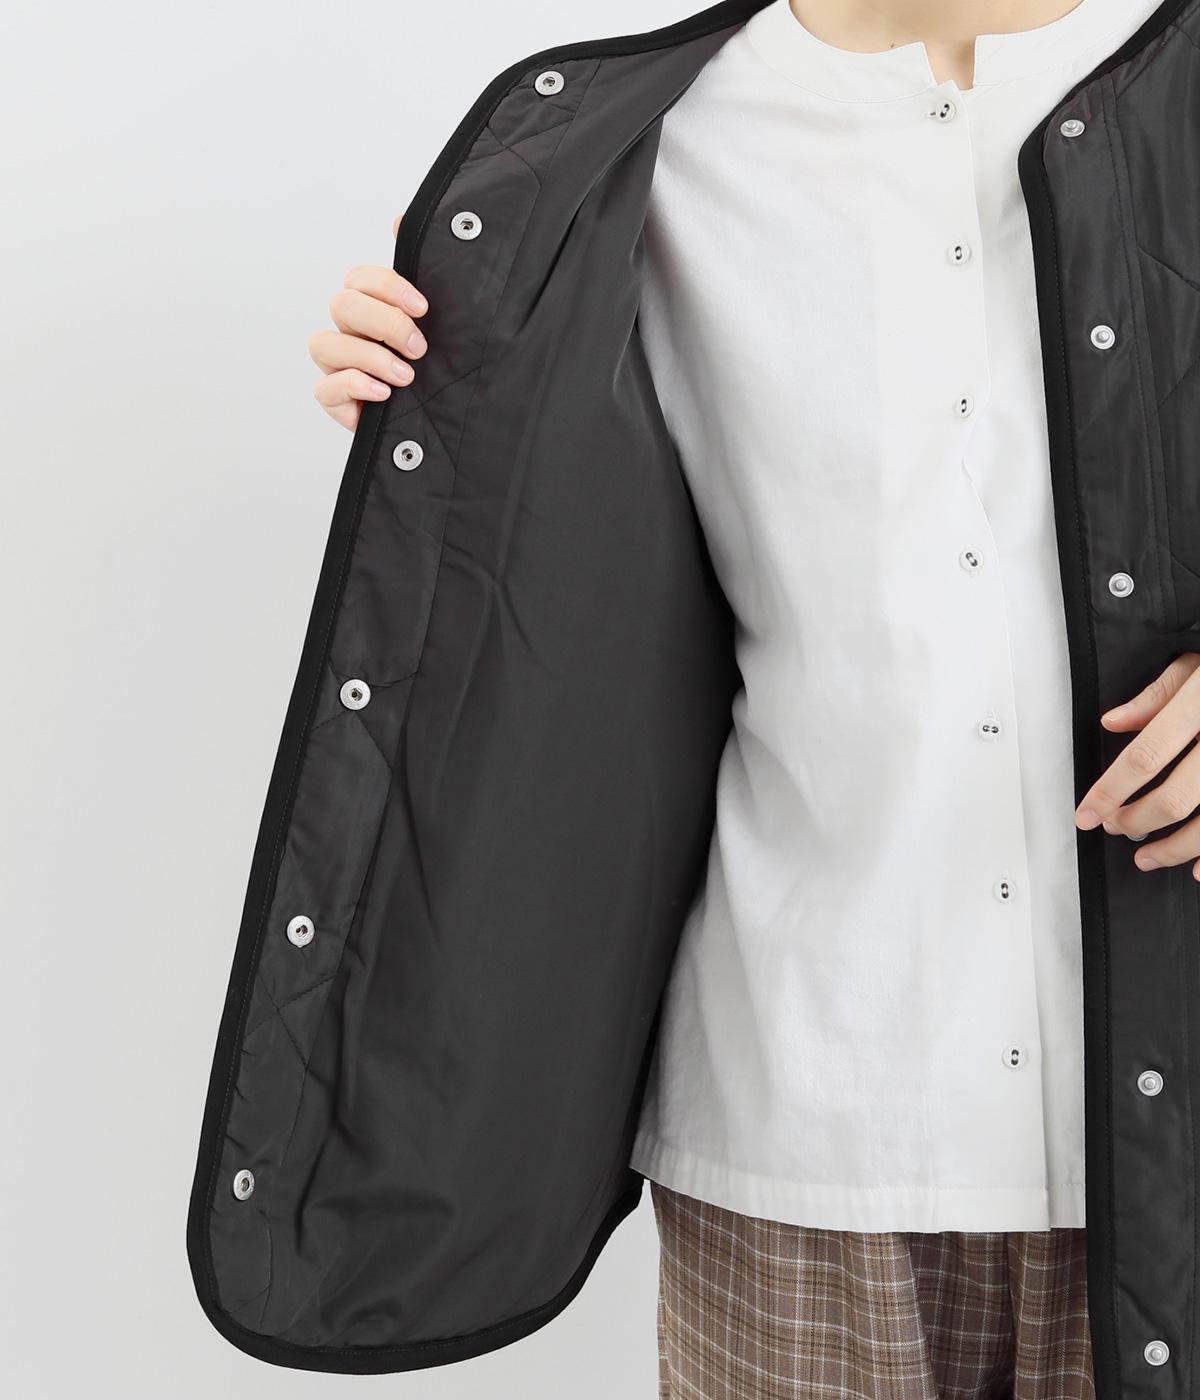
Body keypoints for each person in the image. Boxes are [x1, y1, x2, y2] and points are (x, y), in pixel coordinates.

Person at [305, 2, 1200, 1395]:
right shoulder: (641, 140)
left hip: (1171, 1122)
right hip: (801, 1128)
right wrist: (430, 421)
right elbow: (566, 613)